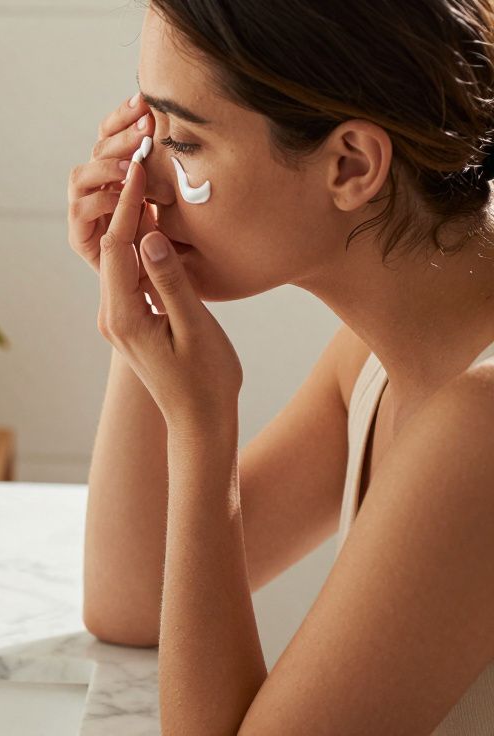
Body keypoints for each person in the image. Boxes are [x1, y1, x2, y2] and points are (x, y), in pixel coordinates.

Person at [68, 1, 494, 733]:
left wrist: (202, 432)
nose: (147, 176)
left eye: (185, 141)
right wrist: (139, 292)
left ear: (350, 165)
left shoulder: (479, 426)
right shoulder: (380, 360)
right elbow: (134, 600)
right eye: (148, 131)